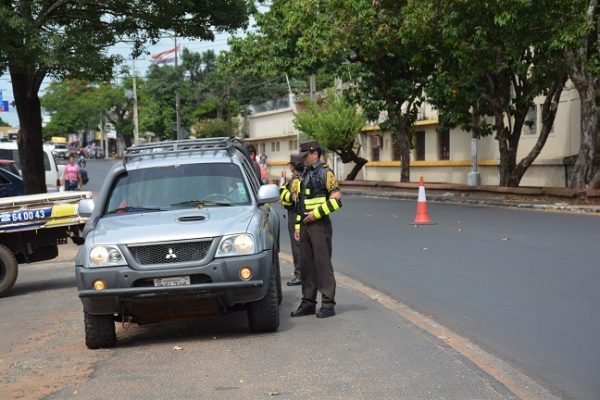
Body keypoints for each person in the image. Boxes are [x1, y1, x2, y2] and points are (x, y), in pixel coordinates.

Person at [291, 140, 342, 319]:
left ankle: (328, 303)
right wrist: (298, 225)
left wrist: (317, 214)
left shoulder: (325, 172)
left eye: (306, 156)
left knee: (322, 264)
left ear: (315, 154)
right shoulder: (304, 174)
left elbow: (336, 198)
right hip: (305, 225)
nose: (303, 159)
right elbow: (300, 203)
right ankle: (308, 303)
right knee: (306, 265)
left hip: (319, 225)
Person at [279, 154, 304, 286]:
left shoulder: (295, 181)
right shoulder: (304, 177)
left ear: (293, 167)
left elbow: (292, 198)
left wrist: (282, 188)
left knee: (297, 245)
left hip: (295, 214)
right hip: (302, 214)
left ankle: (299, 275)